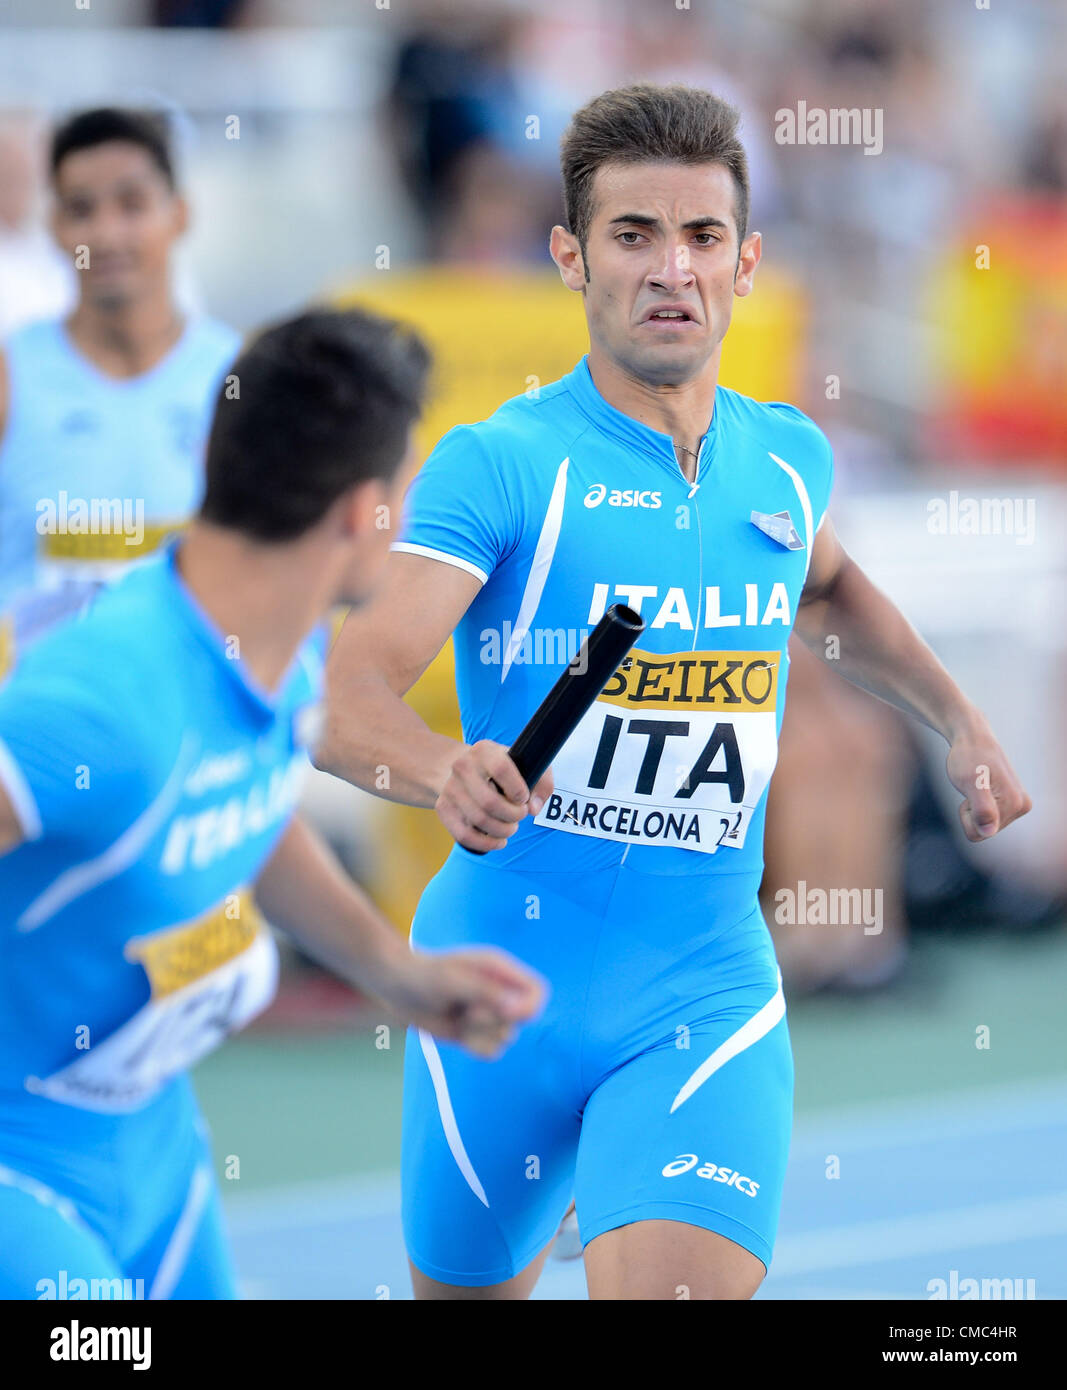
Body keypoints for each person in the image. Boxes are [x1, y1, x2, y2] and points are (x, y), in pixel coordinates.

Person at [316, 83, 1031, 1301]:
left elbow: (835, 593)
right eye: (631, 235)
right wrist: (444, 767)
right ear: (569, 255)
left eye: (699, 237)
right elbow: (344, 691)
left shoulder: (785, 457)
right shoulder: (502, 465)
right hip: (497, 987)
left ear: (743, 262)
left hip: (699, 988)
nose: (669, 269)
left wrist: (955, 719)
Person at [0, 307, 544, 1300]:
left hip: (152, 1157)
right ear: (355, 512)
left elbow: (249, 815)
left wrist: (399, 974)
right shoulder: (98, 700)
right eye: (406, 486)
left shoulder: (283, 661)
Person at [0, 106, 239, 640]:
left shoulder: (236, 378)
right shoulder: (10, 377)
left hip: (184, 716)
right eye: (82, 209)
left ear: (179, 215)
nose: (106, 235)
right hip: (34, 715)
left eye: (132, 205)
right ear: (56, 228)